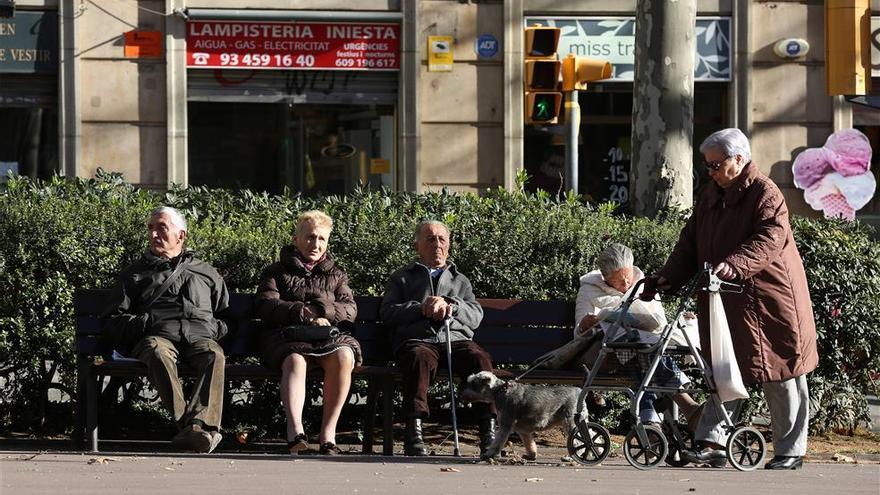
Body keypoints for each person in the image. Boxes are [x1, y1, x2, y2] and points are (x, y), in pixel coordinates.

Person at [654, 128, 819, 470]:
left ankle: (790, 450)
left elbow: (771, 237)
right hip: (725, 296)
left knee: (780, 371)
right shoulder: (711, 193)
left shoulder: (766, 193)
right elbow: (690, 241)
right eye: (708, 166)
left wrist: (735, 264)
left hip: (771, 298)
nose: (710, 172)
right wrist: (668, 277)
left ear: (739, 160)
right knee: (724, 369)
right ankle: (712, 441)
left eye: (716, 165)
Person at [102, 207, 229, 453]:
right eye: (150, 228)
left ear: (181, 236)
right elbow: (113, 321)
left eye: (161, 227)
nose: (153, 234)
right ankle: (192, 429)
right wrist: (150, 322)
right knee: (157, 351)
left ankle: (196, 427)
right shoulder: (135, 274)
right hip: (158, 337)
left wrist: (214, 328)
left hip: (199, 336)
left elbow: (227, 315)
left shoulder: (206, 272)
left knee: (214, 355)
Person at [380, 220, 496, 457]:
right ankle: (414, 432)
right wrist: (420, 307)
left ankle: (489, 433)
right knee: (418, 358)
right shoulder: (401, 277)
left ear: (449, 244)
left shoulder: (460, 280)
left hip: (455, 339)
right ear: (417, 246)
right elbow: (388, 312)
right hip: (419, 340)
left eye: (442, 239)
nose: (437, 244)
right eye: (430, 239)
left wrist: (452, 305)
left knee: (479, 359)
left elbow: (475, 316)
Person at [254, 210, 361, 456]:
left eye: (322, 239)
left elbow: (350, 308)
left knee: (344, 356)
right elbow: (265, 305)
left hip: (326, 337)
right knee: (295, 360)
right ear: (296, 239)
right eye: (311, 237)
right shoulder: (275, 272)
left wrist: (324, 312)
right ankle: (296, 433)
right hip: (288, 337)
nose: (316, 244)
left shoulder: (336, 274)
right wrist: (301, 312)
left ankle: (328, 436)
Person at [569, 243, 701, 426]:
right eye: (618, 281)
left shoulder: (644, 285)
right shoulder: (589, 290)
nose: (625, 284)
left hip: (641, 349)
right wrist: (584, 325)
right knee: (635, 346)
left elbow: (658, 323)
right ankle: (686, 405)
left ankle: (650, 420)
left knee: (640, 348)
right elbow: (579, 333)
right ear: (605, 277)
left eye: (627, 278)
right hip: (604, 355)